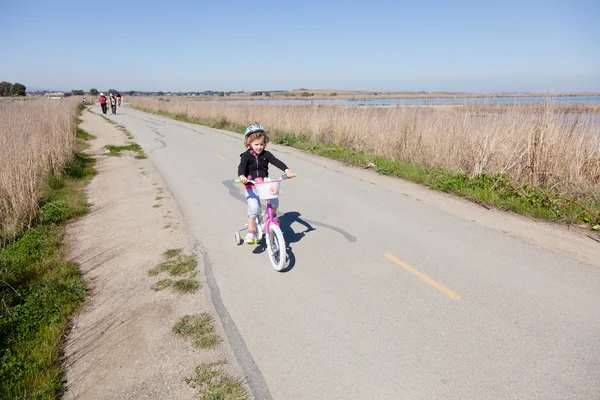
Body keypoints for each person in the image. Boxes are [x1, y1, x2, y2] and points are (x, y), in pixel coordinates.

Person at [238, 123, 294, 244]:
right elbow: (242, 167)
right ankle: (251, 232)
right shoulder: (246, 156)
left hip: (264, 185)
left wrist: (287, 170)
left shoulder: (266, 155)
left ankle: (271, 217)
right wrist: (242, 176)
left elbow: (276, 161)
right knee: (253, 208)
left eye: (261, 144)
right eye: (256, 144)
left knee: (274, 202)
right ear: (249, 143)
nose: (259, 147)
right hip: (251, 185)